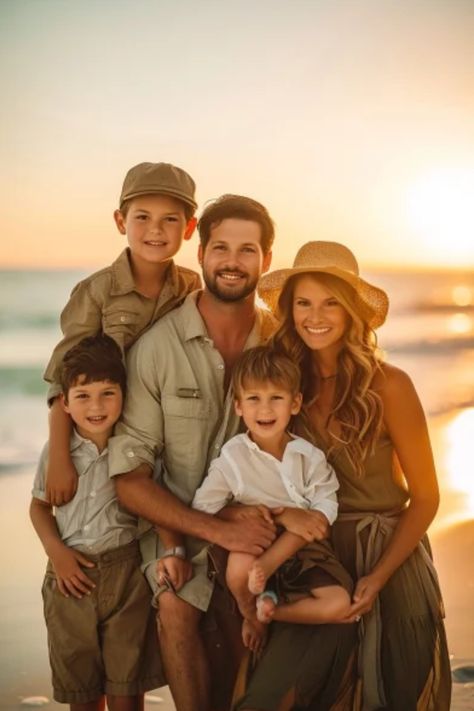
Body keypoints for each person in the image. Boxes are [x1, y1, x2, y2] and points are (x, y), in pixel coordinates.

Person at [109, 196, 355, 711]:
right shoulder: (158, 347)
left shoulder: (285, 343)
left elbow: (324, 412)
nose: (232, 260)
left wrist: (287, 515)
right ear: (200, 252)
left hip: (276, 525)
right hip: (183, 524)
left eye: (248, 250)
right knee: (177, 603)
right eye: (220, 247)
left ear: (266, 260)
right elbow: (130, 477)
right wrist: (215, 528)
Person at [246, 240, 452, 710]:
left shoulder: (390, 384)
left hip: (391, 558)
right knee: (274, 696)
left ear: (352, 310)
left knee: (393, 696)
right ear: (289, 310)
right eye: (303, 303)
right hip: (313, 559)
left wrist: (378, 577)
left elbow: (425, 497)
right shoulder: (282, 384)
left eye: (330, 302)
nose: (315, 315)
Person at [43, 161, 201, 507]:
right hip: (102, 439)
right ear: (120, 221)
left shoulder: (190, 286)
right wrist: (59, 457)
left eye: (170, 219)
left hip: (161, 439)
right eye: (142, 217)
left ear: (189, 228)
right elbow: (63, 379)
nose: (155, 230)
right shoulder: (97, 292)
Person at [30, 334, 163, 711]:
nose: (97, 406)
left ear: (124, 394)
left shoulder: (135, 447)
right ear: (65, 404)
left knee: (127, 686)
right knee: (82, 691)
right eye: (83, 396)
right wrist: (58, 554)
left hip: (126, 576)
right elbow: (39, 508)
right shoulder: (58, 453)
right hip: (69, 578)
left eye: (108, 393)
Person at [192, 345, 353, 656]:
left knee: (339, 604)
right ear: (238, 406)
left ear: (294, 403)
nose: (265, 410)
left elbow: (325, 500)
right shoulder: (233, 458)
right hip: (258, 544)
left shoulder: (308, 455)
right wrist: (253, 513)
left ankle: (270, 611)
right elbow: (204, 508)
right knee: (239, 568)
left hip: (304, 549)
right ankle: (250, 614)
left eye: (275, 398)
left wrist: (317, 517)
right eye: (254, 399)